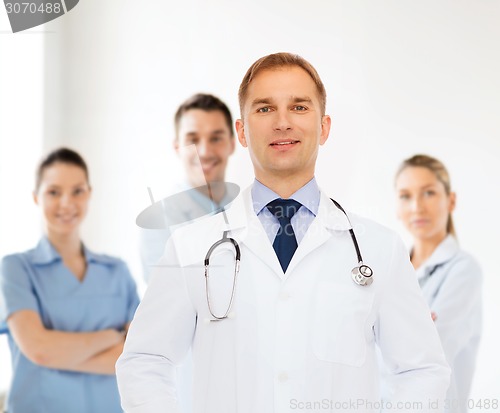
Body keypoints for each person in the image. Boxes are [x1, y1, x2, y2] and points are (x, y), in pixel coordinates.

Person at [116, 53, 450, 413]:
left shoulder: (378, 249)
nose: (283, 122)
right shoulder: (191, 247)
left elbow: (423, 369)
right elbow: (144, 361)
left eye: (299, 107)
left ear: (324, 127)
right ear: (242, 132)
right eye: (264, 109)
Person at [0, 148, 140, 413]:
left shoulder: (118, 272)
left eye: (77, 191)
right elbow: (40, 349)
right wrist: (114, 335)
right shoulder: (16, 269)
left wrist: (54, 355)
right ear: (35, 197)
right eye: (54, 192)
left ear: (89, 194)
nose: (66, 203)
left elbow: (135, 356)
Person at [395, 154, 482, 413]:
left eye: (429, 193)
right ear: (397, 208)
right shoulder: (390, 269)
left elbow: (429, 351)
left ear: (451, 200)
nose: (417, 207)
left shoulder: (463, 270)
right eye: (405, 196)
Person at [139, 93, 236, 282]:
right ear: (177, 147)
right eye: (192, 139)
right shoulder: (159, 220)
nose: (204, 152)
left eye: (216, 138)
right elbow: (165, 301)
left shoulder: (252, 210)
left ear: (232, 144)